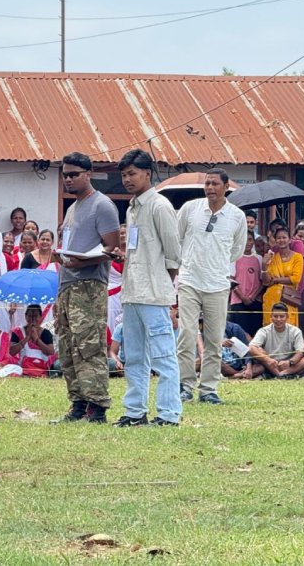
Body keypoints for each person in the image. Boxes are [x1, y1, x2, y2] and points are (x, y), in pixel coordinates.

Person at [52, 151, 121, 424]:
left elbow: (112, 247)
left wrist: (83, 262)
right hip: (67, 283)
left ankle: (97, 407)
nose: (68, 179)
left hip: (89, 284)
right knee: (67, 346)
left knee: (88, 346)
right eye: (65, 175)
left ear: (88, 174)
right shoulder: (72, 208)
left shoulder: (102, 205)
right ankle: (78, 403)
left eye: (74, 174)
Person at [114, 149, 182, 427]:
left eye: (132, 174)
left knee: (164, 355)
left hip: (153, 294)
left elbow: (173, 252)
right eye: (124, 175)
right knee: (134, 357)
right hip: (131, 291)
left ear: (147, 174)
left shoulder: (159, 205)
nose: (127, 179)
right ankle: (135, 412)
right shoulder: (132, 207)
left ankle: (168, 415)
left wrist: (161, 279)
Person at [176, 169, 247, 405]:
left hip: (217, 283)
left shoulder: (236, 216)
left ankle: (208, 389)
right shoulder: (190, 209)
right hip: (189, 280)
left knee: (214, 338)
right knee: (186, 335)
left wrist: (216, 265)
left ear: (226, 186)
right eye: (207, 184)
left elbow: (236, 250)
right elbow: (178, 239)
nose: (210, 188)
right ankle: (185, 386)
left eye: (215, 184)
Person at [245, 302, 304, 379]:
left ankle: (283, 374)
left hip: (288, 365)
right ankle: (281, 375)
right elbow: (251, 347)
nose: (278, 319)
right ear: (271, 316)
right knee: (258, 349)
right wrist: (268, 359)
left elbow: (300, 352)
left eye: (282, 316)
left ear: (287, 317)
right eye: (275, 316)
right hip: (271, 363)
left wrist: (290, 362)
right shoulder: (264, 331)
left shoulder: (295, 331)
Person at [261, 227, 304, 327]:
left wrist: (275, 280)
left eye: (284, 237)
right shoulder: (272, 257)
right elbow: (266, 282)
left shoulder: (297, 257)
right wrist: (264, 265)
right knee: (271, 330)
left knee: (289, 330)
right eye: (279, 238)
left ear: (290, 239)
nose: (281, 240)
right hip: (272, 299)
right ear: (275, 240)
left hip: (288, 298)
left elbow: (295, 279)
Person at [229, 235, 263, 336]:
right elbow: (230, 279)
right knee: (239, 334)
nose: (248, 242)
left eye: (250, 239)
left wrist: (253, 296)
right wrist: (243, 297)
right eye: (245, 239)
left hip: (255, 301)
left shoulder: (259, 258)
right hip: (238, 301)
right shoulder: (234, 258)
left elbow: (262, 281)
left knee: (255, 333)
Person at [9, 305, 56, 377]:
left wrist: (37, 340)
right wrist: (27, 338)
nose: (32, 319)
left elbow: (50, 352)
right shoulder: (17, 331)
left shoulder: (46, 333)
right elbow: (11, 352)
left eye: (35, 316)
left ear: (40, 317)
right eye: (30, 316)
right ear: (25, 316)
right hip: (22, 368)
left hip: (40, 368)